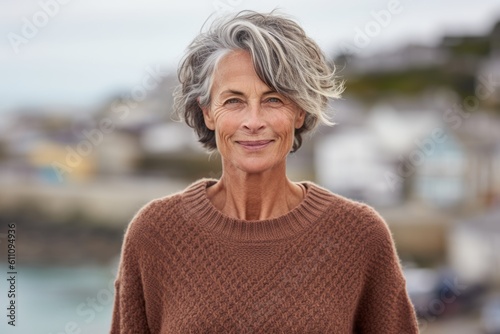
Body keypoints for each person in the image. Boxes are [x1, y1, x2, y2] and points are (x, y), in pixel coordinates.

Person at [110, 10, 419, 333]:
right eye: (233, 101)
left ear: (299, 111)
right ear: (208, 113)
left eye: (273, 100)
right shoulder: (155, 233)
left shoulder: (360, 235)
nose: (253, 121)